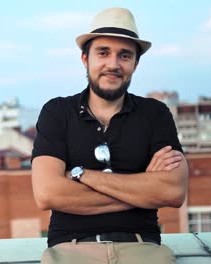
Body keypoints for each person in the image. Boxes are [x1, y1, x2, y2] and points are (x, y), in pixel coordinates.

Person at [31, 7, 188, 264]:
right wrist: (143, 187)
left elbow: (172, 192)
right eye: (103, 53)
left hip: (142, 248)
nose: (113, 64)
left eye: (124, 55)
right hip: (70, 250)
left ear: (135, 63)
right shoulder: (57, 112)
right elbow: (48, 194)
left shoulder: (155, 114)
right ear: (85, 59)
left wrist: (82, 175)